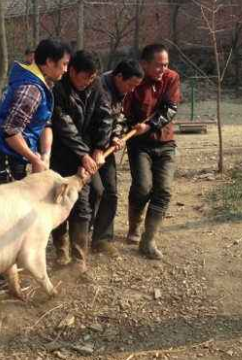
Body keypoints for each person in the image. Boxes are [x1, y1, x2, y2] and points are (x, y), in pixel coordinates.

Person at [0, 39, 71, 293]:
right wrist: (34, 159)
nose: (65, 69)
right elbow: (10, 130)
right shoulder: (30, 89)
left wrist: (45, 154)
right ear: (49, 62)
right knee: (9, 220)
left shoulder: (43, 84)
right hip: (3, 159)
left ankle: (10, 271)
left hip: (17, 157)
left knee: (17, 218)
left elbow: (44, 125)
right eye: (63, 64)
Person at [49, 50, 113, 274]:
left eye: (92, 77)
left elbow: (105, 117)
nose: (88, 82)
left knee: (84, 203)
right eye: (85, 77)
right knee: (58, 200)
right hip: (61, 155)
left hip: (86, 155)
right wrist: (84, 155)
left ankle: (79, 258)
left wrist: (99, 147)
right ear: (73, 71)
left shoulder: (96, 87)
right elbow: (65, 128)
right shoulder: (58, 90)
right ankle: (61, 250)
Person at [123, 44, 181, 260]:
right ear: (144, 64)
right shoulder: (134, 82)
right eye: (158, 65)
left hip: (165, 142)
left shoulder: (172, 78)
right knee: (143, 186)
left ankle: (148, 241)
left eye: (165, 64)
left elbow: (170, 109)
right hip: (139, 144)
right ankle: (134, 226)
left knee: (163, 190)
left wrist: (150, 125)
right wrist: (130, 128)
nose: (163, 69)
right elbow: (124, 111)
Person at [90, 59, 144, 257]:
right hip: (88, 149)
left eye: (135, 87)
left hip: (106, 149)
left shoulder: (120, 91)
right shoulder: (97, 87)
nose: (131, 90)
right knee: (94, 191)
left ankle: (102, 240)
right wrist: (98, 146)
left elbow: (119, 118)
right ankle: (77, 238)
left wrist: (116, 135)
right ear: (119, 77)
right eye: (130, 85)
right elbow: (97, 121)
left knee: (111, 192)